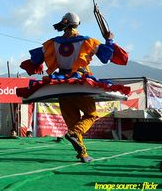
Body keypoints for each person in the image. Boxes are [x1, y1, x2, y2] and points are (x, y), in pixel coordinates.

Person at [19, 12, 128, 163]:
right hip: (80, 83)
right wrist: (109, 41)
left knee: (73, 122)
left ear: (64, 24)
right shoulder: (87, 41)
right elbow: (105, 57)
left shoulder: (52, 43)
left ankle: (83, 153)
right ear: (77, 24)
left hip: (61, 85)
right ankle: (76, 136)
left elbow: (35, 60)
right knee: (91, 115)